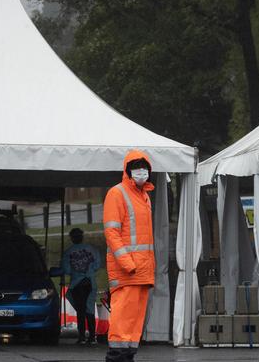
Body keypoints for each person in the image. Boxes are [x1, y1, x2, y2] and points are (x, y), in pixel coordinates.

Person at [103, 150, 156, 362]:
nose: (141, 171)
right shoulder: (117, 193)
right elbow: (112, 232)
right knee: (122, 323)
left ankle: (126, 356)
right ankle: (116, 357)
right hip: (127, 272)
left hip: (141, 272)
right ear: (127, 170)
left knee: (133, 324)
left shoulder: (144, 196)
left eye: (144, 167)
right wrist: (127, 263)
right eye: (135, 167)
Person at [62, 227, 101, 345]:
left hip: (77, 284)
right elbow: (98, 264)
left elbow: (66, 269)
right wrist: (88, 271)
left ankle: (82, 337)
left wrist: (76, 271)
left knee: (80, 310)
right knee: (90, 310)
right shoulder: (91, 249)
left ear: (72, 238)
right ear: (82, 236)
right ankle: (92, 337)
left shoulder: (68, 252)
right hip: (90, 282)